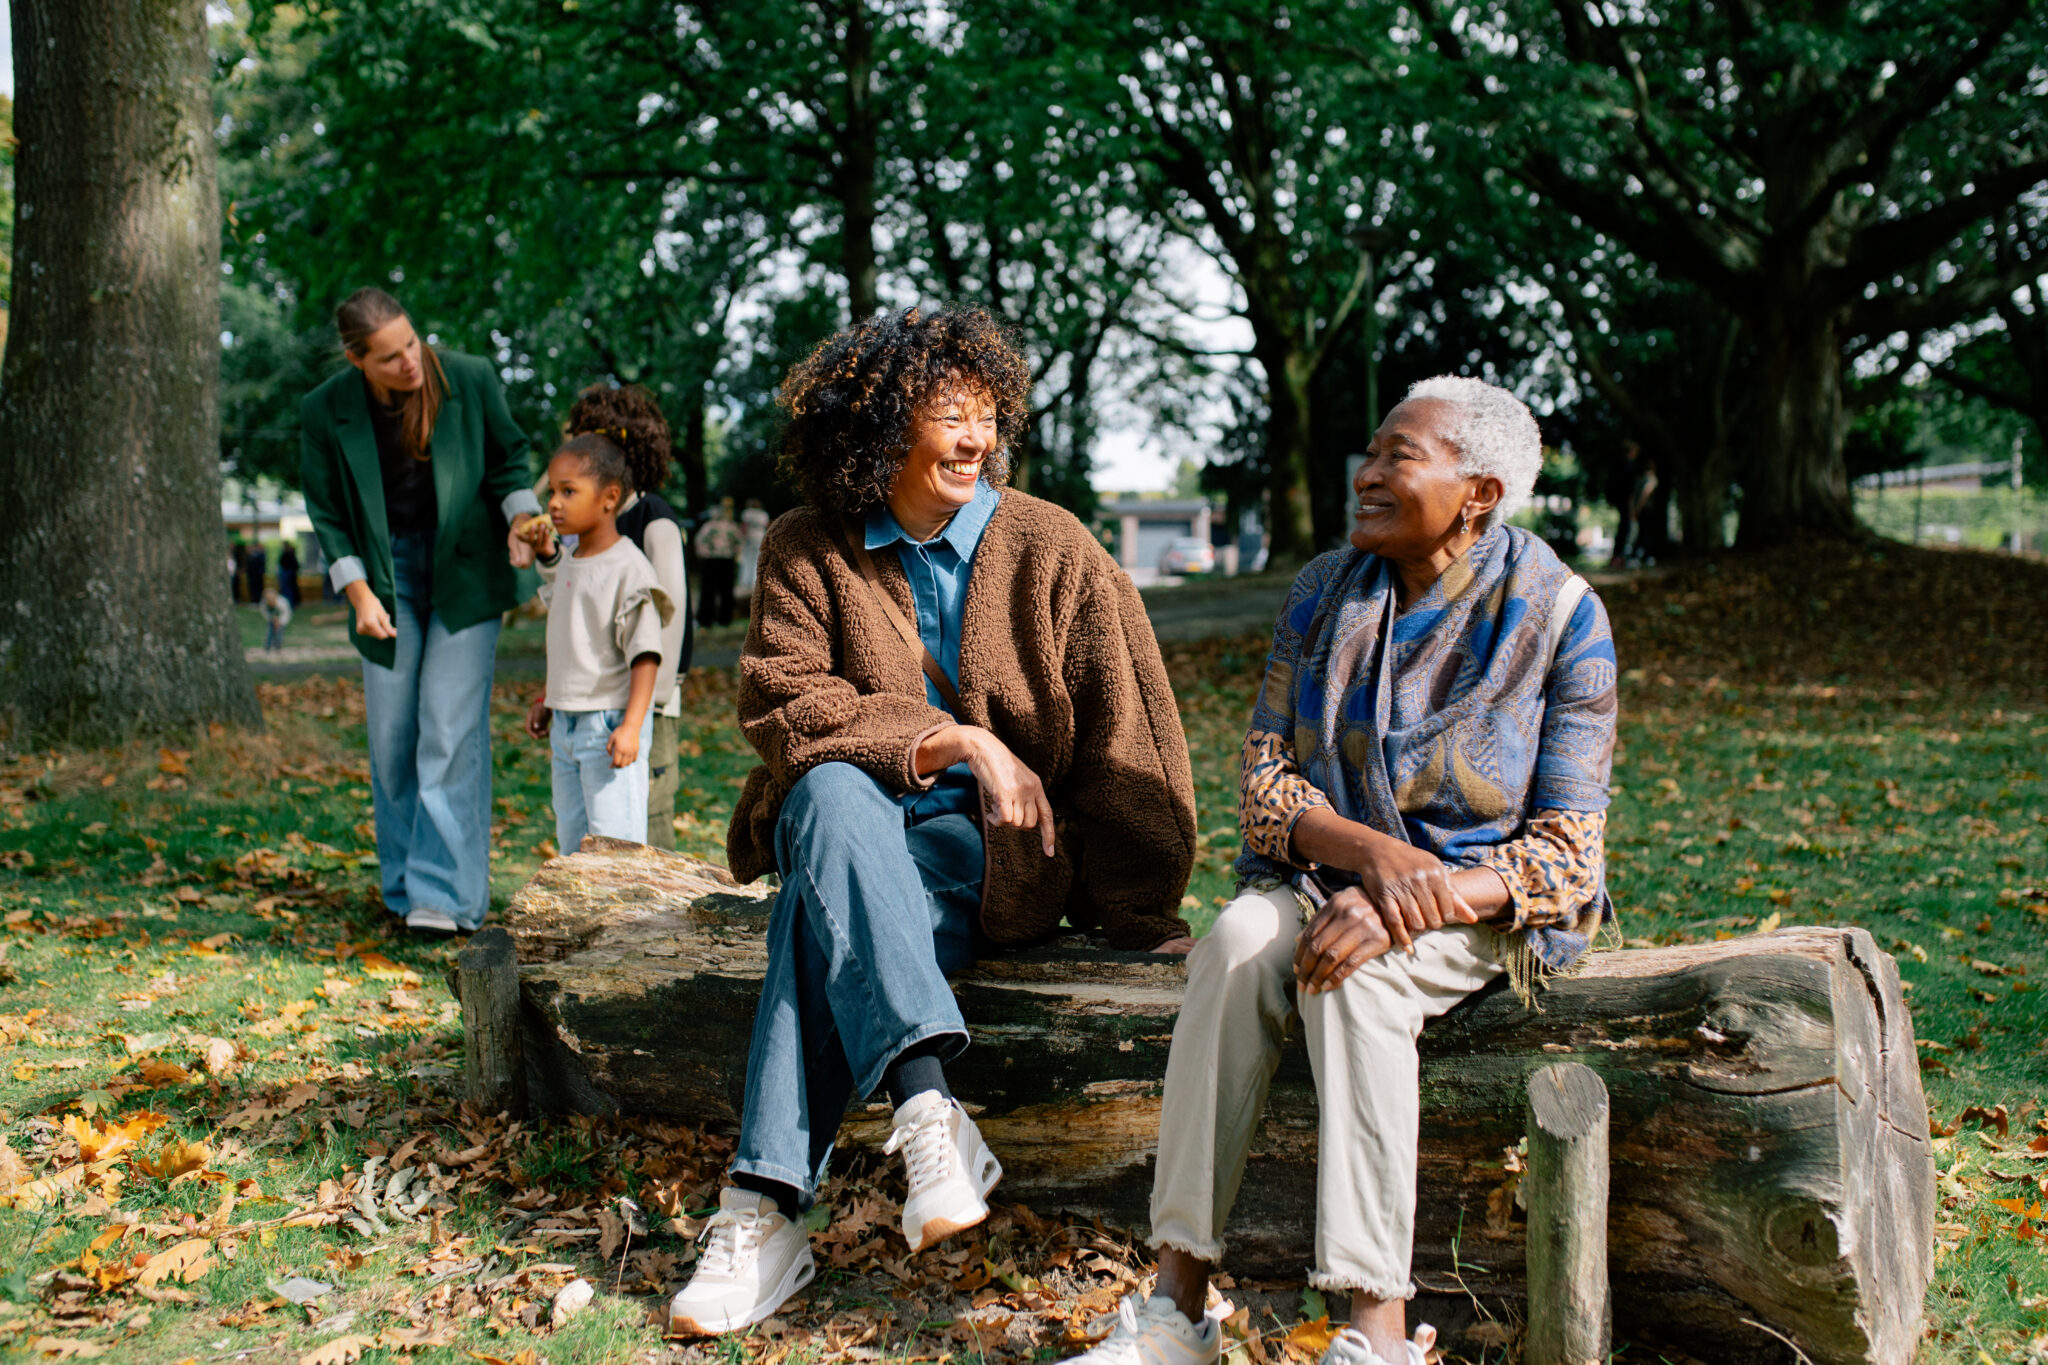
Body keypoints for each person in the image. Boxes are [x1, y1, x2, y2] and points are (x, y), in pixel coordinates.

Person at [666, 306, 1199, 1337]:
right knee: (825, 793)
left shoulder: (1054, 549)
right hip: (848, 817)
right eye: (949, 416)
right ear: (876, 428)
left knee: (813, 917)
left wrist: (1141, 914)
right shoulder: (803, 545)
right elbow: (787, 708)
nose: (976, 440)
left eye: (987, 416)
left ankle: (761, 1209)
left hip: (984, 860)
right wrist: (950, 740)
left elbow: (1129, 739)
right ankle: (924, 1105)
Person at [1072, 376, 1618, 1365]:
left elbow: (1566, 854)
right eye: (1369, 453)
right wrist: (1371, 858)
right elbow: (1266, 783)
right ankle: (1175, 1307)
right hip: (1334, 875)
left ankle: (1371, 1335)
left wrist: (1418, 899)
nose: (1365, 474)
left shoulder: (1561, 615)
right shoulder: (1323, 591)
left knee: (1354, 976)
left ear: (1480, 491)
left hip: (1478, 902)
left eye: (1398, 458)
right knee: (1237, 940)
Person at [299, 286, 545, 935]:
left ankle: (446, 897)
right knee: (391, 737)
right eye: (389, 357)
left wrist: (522, 517)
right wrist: (357, 594)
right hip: (385, 579)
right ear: (357, 360)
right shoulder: (324, 410)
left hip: (464, 570)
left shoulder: (467, 377)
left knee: (447, 727)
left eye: (410, 342)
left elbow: (508, 461)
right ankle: (403, 886)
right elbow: (325, 512)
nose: (410, 362)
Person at [512, 384, 693, 849]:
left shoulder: (652, 520)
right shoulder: (582, 542)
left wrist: (646, 707)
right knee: (580, 826)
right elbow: (575, 622)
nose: (555, 501)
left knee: (643, 818)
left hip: (638, 700)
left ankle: (650, 917)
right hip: (584, 708)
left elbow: (665, 615)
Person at [694, 498, 742, 627]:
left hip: (725, 559)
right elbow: (700, 541)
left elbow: (738, 541)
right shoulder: (710, 526)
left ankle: (724, 619)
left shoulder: (730, 526)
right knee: (709, 591)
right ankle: (706, 619)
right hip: (713, 560)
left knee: (725, 591)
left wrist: (735, 554)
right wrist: (705, 553)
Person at [737, 497, 770, 598]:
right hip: (760, 537)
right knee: (757, 559)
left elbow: (744, 526)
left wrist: (741, 537)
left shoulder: (747, 513)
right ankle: (754, 581)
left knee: (747, 560)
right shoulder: (763, 514)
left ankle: (745, 581)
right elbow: (767, 526)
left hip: (749, 538)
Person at [260, 586, 292, 652]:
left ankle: (278, 647)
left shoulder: (282, 603)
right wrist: (271, 619)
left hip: (282, 619)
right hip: (271, 619)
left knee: (279, 633)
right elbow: (264, 612)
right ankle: (267, 647)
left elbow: (286, 613)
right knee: (270, 633)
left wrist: (280, 622)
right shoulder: (264, 604)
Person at [243, 540, 268, 607]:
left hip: (257, 575)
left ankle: (257, 601)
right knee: (253, 588)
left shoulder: (258, 555)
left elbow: (258, 565)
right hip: (253, 575)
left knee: (257, 588)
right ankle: (255, 600)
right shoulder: (251, 555)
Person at [277, 542, 302, 608]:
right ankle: (290, 602)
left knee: (288, 589)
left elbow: (282, 562)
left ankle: (289, 603)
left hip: (287, 572)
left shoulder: (288, 554)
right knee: (289, 588)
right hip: (289, 572)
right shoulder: (291, 554)